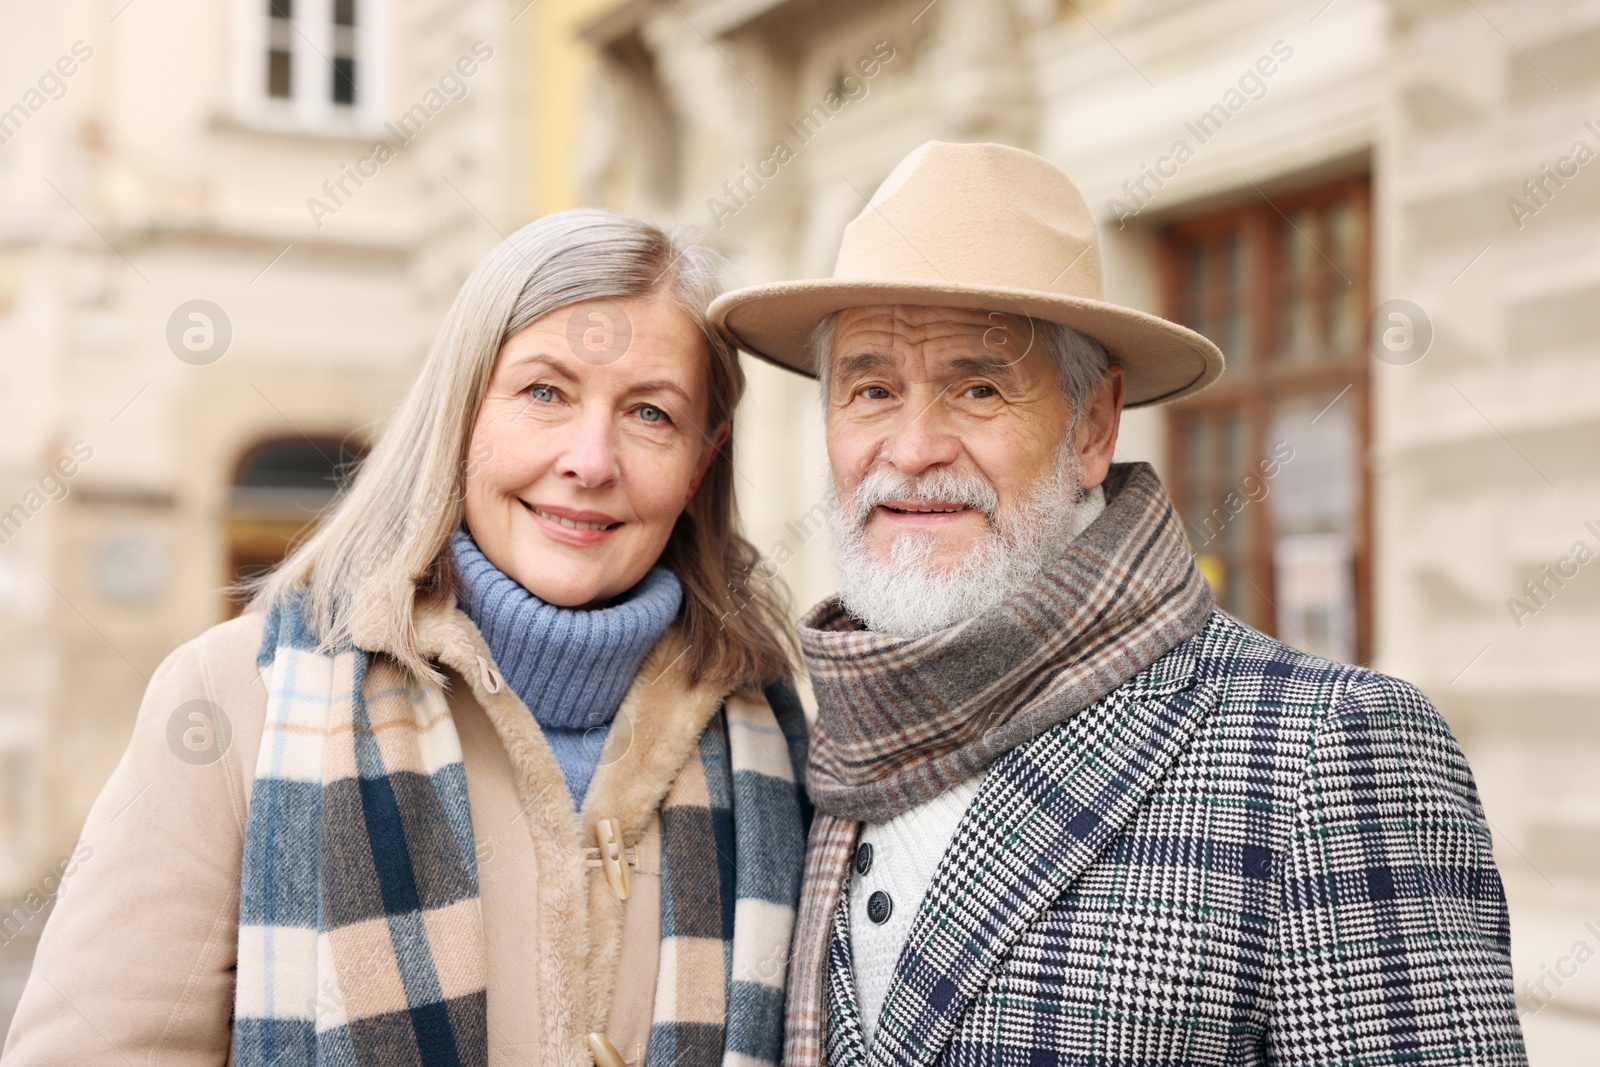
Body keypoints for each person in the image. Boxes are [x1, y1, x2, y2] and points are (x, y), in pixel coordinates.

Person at [710, 142, 1525, 1065]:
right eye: (870, 389)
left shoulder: (1330, 748)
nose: (911, 446)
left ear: (1093, 426)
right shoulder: (819, 744)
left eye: (977, 387)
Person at [4, 209, 809, 1067]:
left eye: (650, 413)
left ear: (702, 461)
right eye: (545, 392)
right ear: (462, 413)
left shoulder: (775, 736)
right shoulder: (237, 697)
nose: (590, 459)